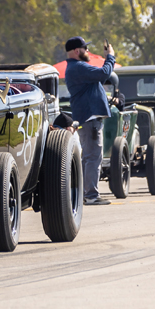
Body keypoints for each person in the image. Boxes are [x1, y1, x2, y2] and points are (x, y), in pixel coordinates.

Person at [64, 36, 116, 206]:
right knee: (93, 156)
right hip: (90, 118)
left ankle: (86, 193)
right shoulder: (78, 67)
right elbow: (104, 73)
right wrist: (110, 57)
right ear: (78, 51)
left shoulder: (76, 68)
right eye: (85, 49)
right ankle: (91, 195)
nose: (88, 52)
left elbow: (98, 78)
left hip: (86, 117)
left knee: (88, 156)